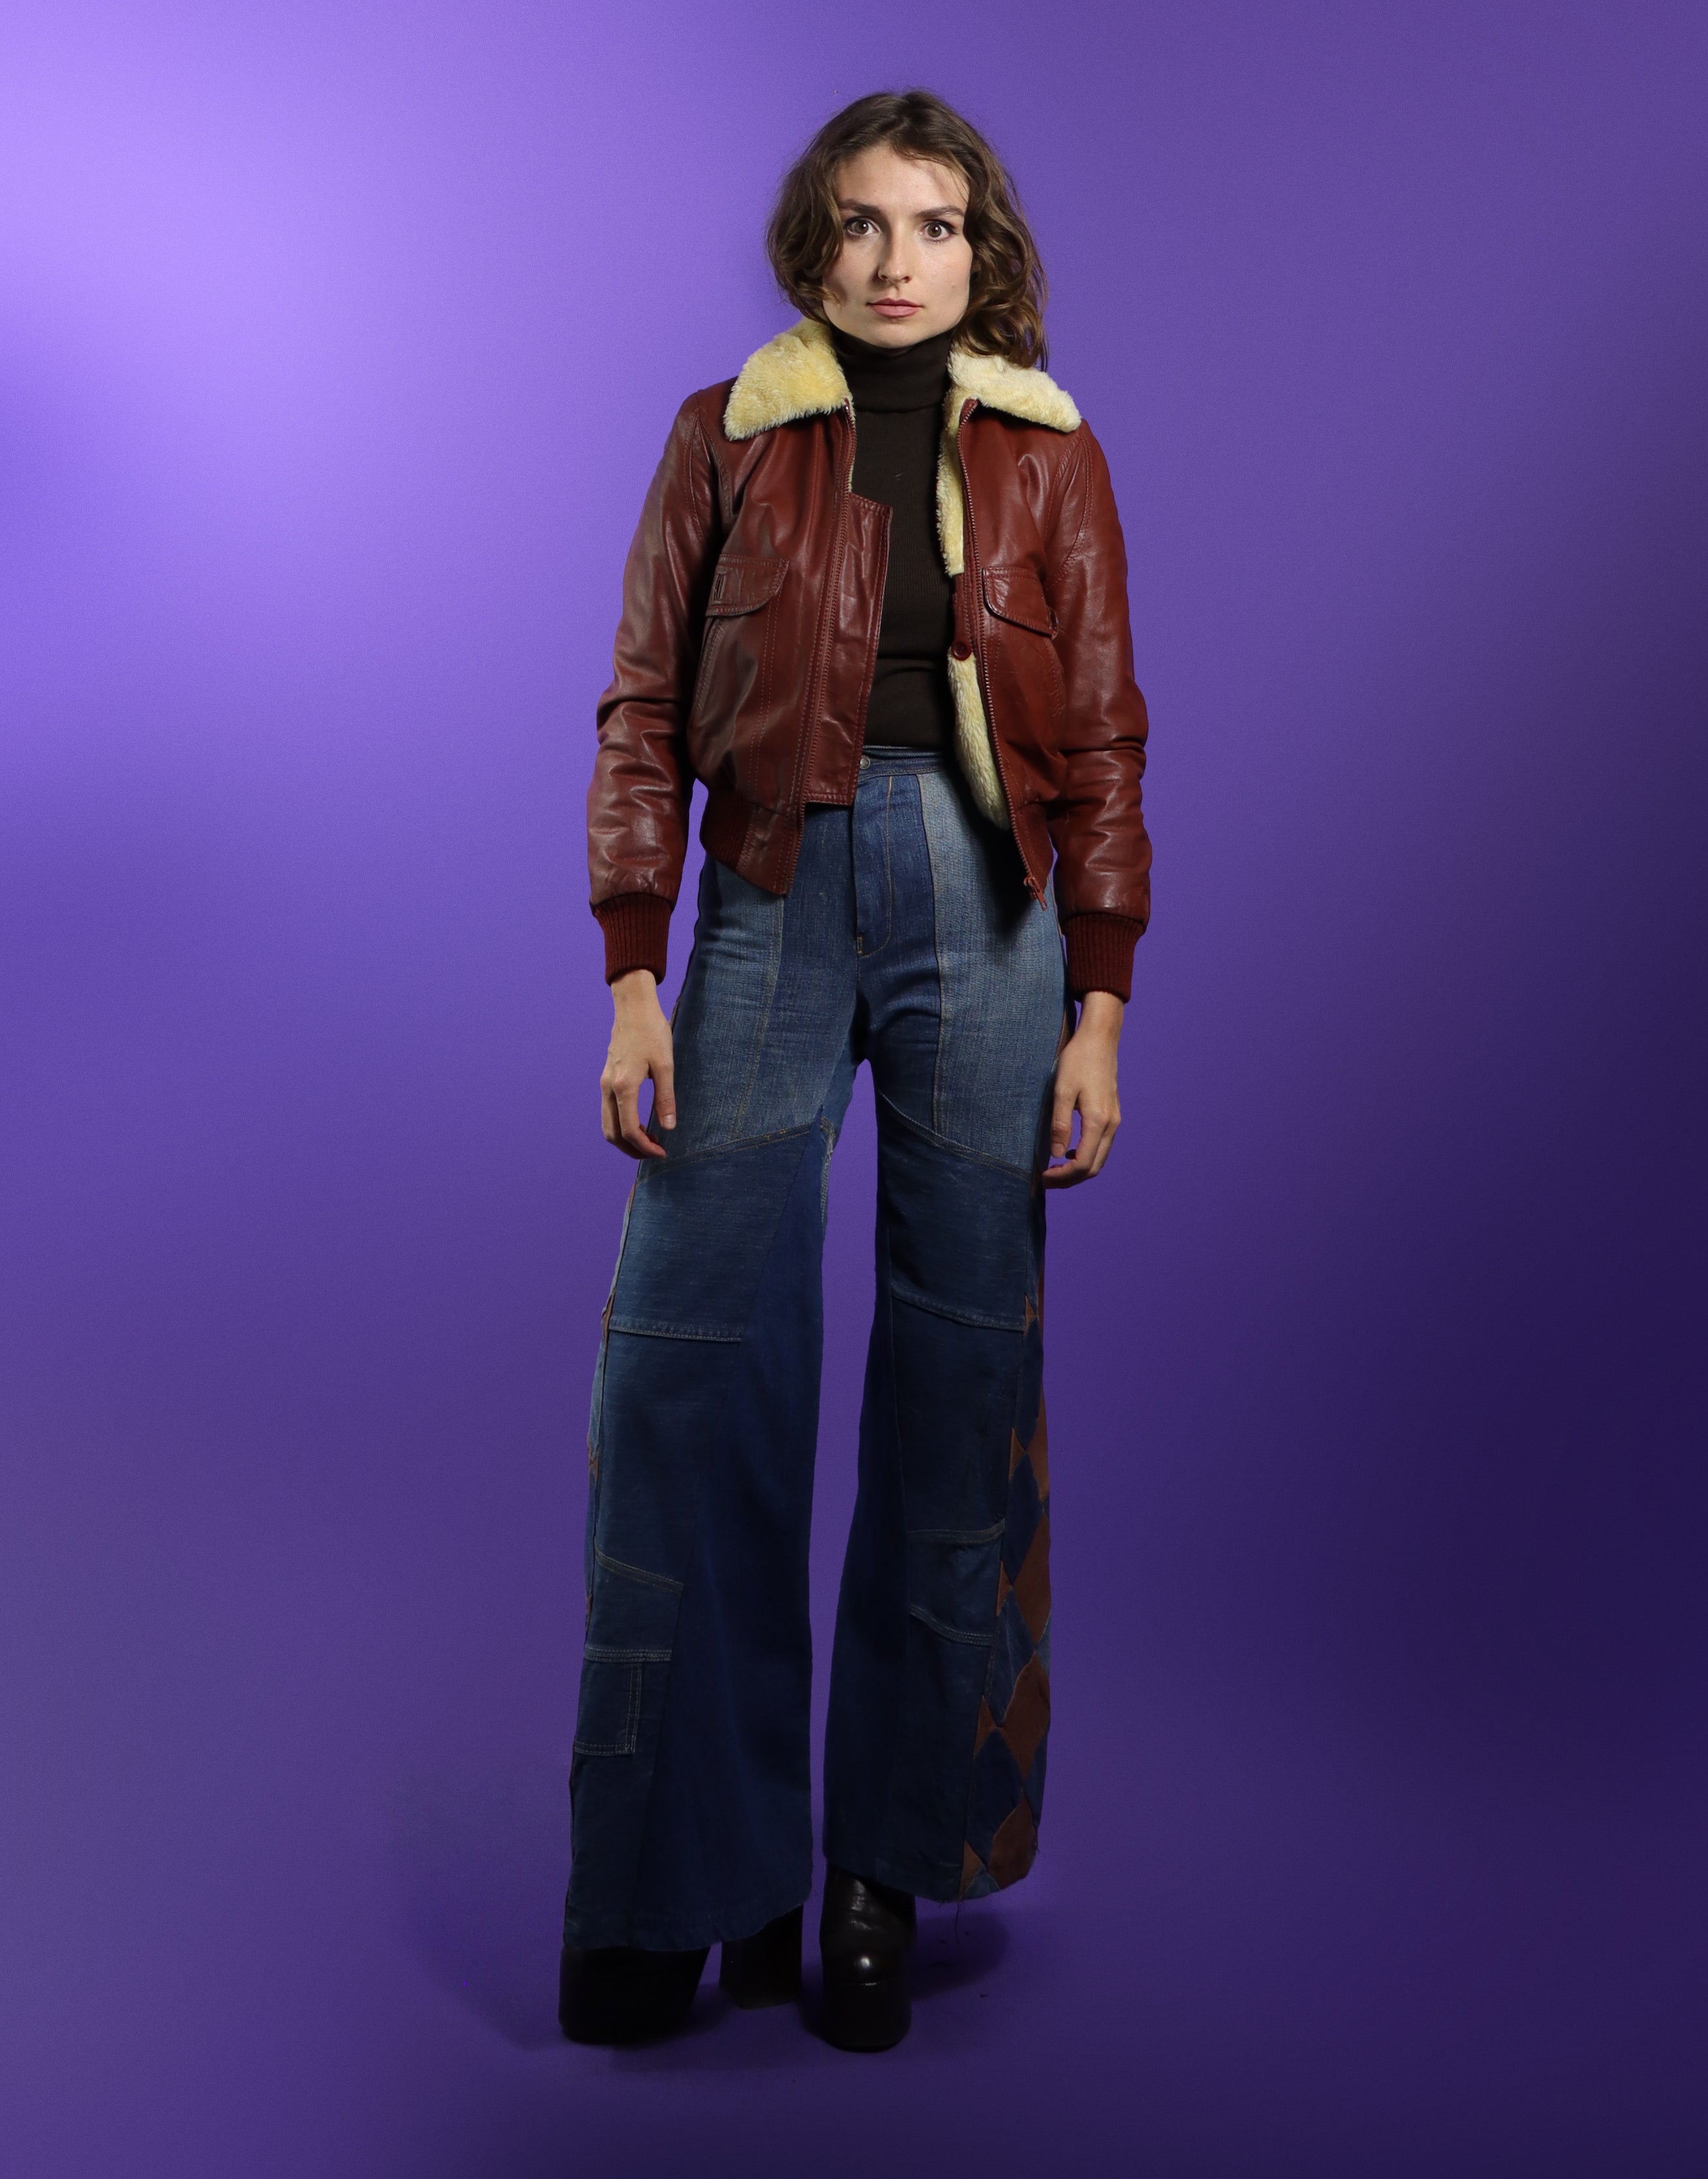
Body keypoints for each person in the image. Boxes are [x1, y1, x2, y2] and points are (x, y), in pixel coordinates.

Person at [559, 87, 1151, 2053]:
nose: (899, 260)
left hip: (990, 909)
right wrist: (633, 966)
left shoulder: (1054, 454)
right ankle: (682, 1881)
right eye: (864, 222)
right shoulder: (724, 433)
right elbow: (644, 701)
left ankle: (881, 1865)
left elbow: (1108, 741)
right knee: (693, 1367)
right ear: (813, 241)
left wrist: (1100, 1003)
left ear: (986, 253)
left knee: (958, 1371)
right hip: (768, 892)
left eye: (937, 225)